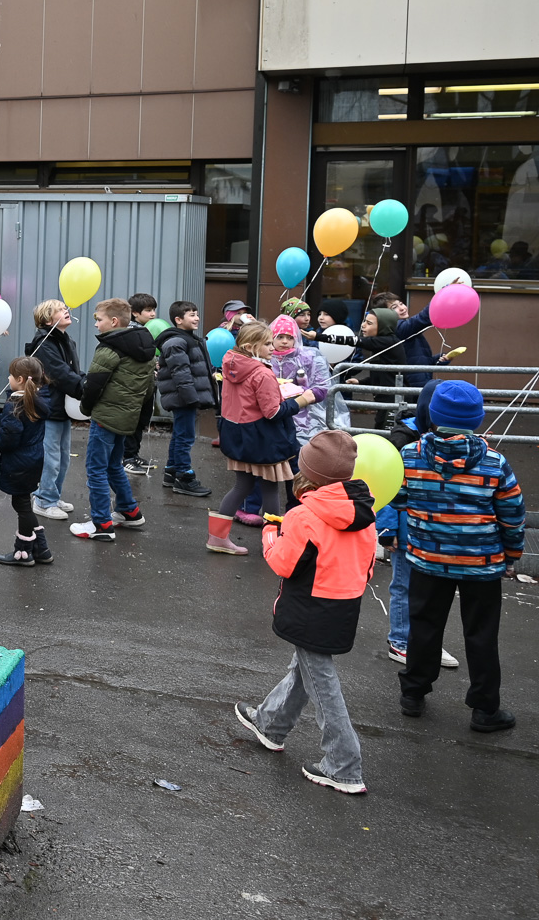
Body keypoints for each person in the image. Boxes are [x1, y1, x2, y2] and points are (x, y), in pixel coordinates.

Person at [233, 431, 377, 795]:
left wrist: (270, 534)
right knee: (306, 667)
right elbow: (368, 566)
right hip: (345, 604)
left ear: (308, 472)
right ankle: (271, 723)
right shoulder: (365, 513)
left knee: (321, 682)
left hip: (309, 605)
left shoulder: (303, 515)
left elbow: (283, 563)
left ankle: (344, 765)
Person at [397, 381, 524, 733]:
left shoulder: (409, 455)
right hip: (481, 564)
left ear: (433, 415)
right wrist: (512, 554)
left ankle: (413, 693)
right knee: (481, 633)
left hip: (427, 559)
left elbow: (399, 498)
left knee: (423, 626)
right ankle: (485, 708)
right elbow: (512, 514)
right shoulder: (495, 462)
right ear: (477, 419)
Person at [208, 322, 314, 554]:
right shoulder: (262, 373)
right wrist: (301, 400)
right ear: (250, 347)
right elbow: (273, 412)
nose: (272, 347)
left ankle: (217, 538)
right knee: (270, 489)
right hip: (263, 439)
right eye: (267, 343)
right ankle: (273, 543)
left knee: (242, 486)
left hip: (237, 436)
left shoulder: (230, 364)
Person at [72, 298, 154, 542]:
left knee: (96, 469)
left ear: (114, 321)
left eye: (99, 320)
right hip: (127, 417)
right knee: (113, 465)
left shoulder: (109, 348)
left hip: (105, 417)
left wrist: (86, 408)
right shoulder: (146, 348)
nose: (96, 325)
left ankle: (101, 524)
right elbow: (149, 389)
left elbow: (94, 384)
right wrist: (139, 418)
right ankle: (129, 511)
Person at [0, 357, 56, 566]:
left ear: (20, 379)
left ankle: (23, 552)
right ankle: (41, 549)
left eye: (10, 375)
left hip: (18, 463)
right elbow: (20, 424)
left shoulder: (15, 404)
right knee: (24, 503)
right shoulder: (36, 399)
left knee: (22, 505)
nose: (8, 378)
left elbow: (9, 439)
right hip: (33, 460)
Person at [25, 300, 82, 519]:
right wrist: (84, 389)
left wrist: (84, 381)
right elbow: (60, 374)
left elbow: (72, 371)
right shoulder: (44, 343)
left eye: (65, 308)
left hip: (62, 407)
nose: (66, 311)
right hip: (49, 406)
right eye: (59, 310)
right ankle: (43, 500)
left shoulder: (67, 341)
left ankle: (53, 495)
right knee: (51, 458)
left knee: (63, 457)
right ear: (48, 320)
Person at [155, 301, 216, 497]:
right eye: (191, 315)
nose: (197, 318)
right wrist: (191, 398)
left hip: (185, 396)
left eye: (196, 314)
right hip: (183, 398)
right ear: (178, 320)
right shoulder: (176, 342)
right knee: (185, 437)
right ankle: (184, 476)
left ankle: (171, 471)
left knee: (180, 434)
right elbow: (181, 373)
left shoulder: (188, 339)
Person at [268, 314, 332, 446]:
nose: (285, 341)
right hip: (272, 412)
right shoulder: (264, 359)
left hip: (301, 413)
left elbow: (322, 388)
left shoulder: (308, 358)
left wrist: (300, 391)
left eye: (290, 337)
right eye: (280, 337)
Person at [121, 293, 158, 477]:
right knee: (132, 422)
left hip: (146, 384)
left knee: (141, 421)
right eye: (148, 310)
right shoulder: (131, 333)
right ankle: (126, 458)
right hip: (134, 386)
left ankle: (134, 454)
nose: (153, 314)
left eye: (154, 310)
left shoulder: (146, 330)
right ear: (135, 313)